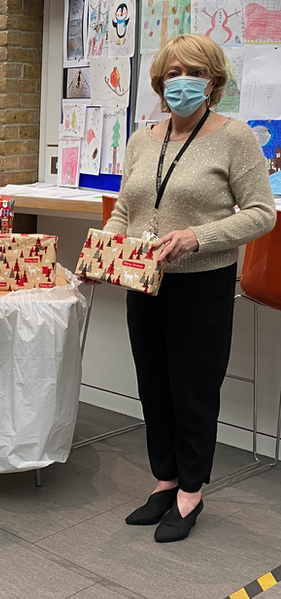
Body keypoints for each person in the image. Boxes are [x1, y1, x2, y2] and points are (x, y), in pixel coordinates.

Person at [102, 34, 275, 542]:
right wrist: (106, 246)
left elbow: (262, 215)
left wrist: (197, 237)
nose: (181, 81)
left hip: (202, 284)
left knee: (193, 390)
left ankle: (191, 489)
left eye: (193, 72)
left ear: (213, 81)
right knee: (154, 386)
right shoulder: (142, 138)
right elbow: (125, 210)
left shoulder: (235, 136)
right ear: (159, 81)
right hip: (143, 280)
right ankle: (165, 479)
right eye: (172, 72)